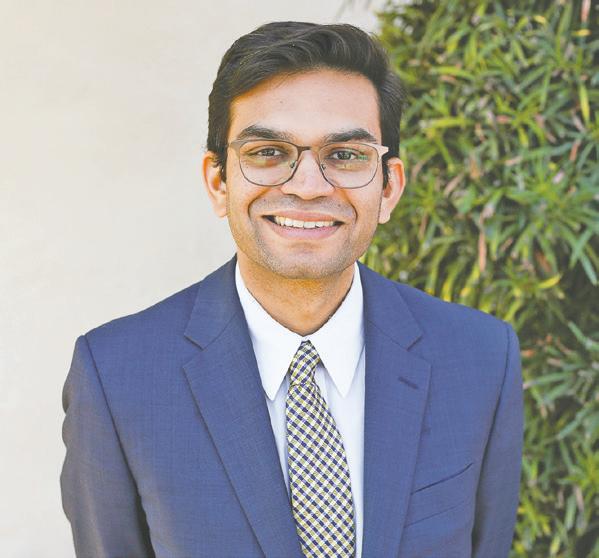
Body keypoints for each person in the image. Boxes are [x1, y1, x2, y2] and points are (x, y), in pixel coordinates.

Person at [60, 21, 524, 558]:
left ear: (389, 187)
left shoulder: (481, 358)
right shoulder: (118, 376)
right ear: (218, 181)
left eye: (345, 155)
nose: (307, 186)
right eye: (268, 152)